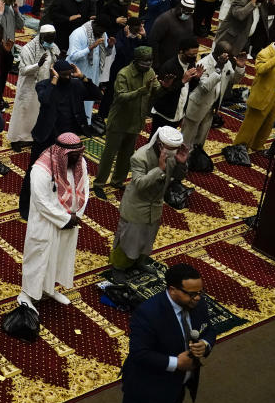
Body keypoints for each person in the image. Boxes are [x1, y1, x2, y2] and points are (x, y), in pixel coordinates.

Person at [109, 263, 216, 403]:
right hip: (145, 386)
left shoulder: (197, 302)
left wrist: (205, 345)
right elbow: (139, 353)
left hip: (178, 386)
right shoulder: (148, 313)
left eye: (200, 292)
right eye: (191, 293)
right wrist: (176, 363)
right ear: (172, 289)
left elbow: (209, 330)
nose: (198, 297)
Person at [19, 132, 89, 312]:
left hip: (70, 221)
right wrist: (65, 218)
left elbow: (85, 189)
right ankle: (26, 294)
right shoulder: (42, 169)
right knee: (39, 257)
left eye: (78, 154)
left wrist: (77, 215)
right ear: (62, 153)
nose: (76, 159)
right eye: (72, 156)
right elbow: (40, 201)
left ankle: (48, 288)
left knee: (59, 256)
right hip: (46, 223)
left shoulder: (80, 162)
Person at [109, 127, 188, 276]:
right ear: (160, 144)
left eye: (175, 149)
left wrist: (181, 163)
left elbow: (177, 177)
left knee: (147, 238)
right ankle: (118, 268)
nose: (173, 152)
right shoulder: (140, 157)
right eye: (171, 149)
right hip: (137, 205)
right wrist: (159, 169)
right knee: (128, 239)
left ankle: (139, 262)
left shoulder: (172, 156)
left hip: (156, 204)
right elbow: (139, 184)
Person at [93, 47, 169, 200]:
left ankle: (117, 181)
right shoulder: (124, 74)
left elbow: (156, 92)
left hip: (136, 120)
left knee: (127, 154)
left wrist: (165, 87)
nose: (148, 65)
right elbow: (121, 97)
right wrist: (142, 90)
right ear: (136, 61)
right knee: (109, 154)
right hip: (119, 120)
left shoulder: (150, 72)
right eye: (144, 62)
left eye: (150, 62)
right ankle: (99, 184)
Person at [181, 42, 245, 150]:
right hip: (197, 106)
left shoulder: (227, 63)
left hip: (211, 108)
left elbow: (234, 79)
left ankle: (194, 162)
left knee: (200, 142)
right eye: (227, 55)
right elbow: (205, 87)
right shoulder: (203, 64)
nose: (229, 58)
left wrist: (240, 68)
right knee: (185, 141)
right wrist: (218, 68)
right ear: (219, 54)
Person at [8, 25, 59, 149]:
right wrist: (38, 65)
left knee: (36, 113)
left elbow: (54, 62)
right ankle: (15, 140)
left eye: (52, 39)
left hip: (43, 86)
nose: (50, 42)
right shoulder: (28, 49)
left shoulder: (52, 47)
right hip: (28, 87)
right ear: (41, 37)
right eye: (48, 39)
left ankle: (30, 138)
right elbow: (24, 70)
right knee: (23, 113)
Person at [233, 38, 275, 154]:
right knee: (251, 124)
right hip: (262, 93)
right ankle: (238, 149)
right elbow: (260, 69)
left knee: (268, 123)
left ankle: (257, 146)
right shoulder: (265, 53)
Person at [67, 17, 114, 124]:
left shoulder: (102, 33)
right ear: (95, 25)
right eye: (100, 31)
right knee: (75, 102)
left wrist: (110, 47)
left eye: (104, 32)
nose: (102, 34)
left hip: (93, 74)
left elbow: (105, 53)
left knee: (89, 101)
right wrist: (90, 47)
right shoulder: (78, 33)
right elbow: (73, 56)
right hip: (78, 74)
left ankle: (85, 124)